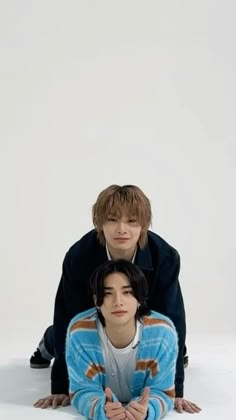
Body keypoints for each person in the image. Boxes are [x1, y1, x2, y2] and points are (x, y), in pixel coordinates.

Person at [33, 184, 201, 413]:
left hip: (140, 316)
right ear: (99, 224)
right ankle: (48, 341)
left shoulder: (165, 257)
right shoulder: (79, 257)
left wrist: (176, 390)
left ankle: (176, 354)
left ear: (143, 225)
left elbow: (172, 317)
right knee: (72, 333)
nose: (122, 229)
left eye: (132, 221)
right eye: (112, 220)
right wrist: (61, 385)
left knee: (169, 344)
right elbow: (67, 315)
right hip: (97, 314)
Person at [66, 259, 178, 420]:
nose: (118, 302)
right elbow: (82, 390)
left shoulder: (163, 334)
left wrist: (147, 410)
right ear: (97, 300)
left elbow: (163, 391)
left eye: (127, 292)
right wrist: (100, 409)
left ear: (139, 298)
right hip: (67, 337)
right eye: (107, 293)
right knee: (53, 339)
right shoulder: (79, 332)